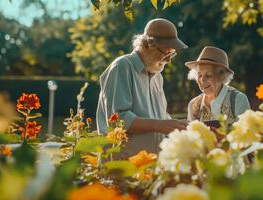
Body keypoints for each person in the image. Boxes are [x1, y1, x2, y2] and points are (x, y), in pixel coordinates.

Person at [96, 18, 188, 158]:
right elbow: (118, 120)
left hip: (150, 168)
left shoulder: (157, 77)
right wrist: (160, 125)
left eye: (172, 54)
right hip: (122, 167)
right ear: (148, 44)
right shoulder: (122, 67)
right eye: (166, 53)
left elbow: (159, 117)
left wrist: (178, 125)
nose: (169, 60)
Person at [186, 46, 250, 125]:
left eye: (208, 75)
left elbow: (245, 134)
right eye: (199, 75)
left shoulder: (238, 100)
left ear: (222, 76)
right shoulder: (193, 105)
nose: (202, 80)